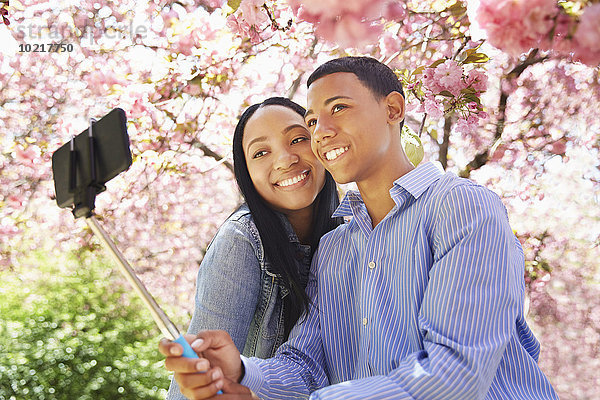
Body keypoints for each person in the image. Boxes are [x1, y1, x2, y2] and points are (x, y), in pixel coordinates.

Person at [160, 57, 558, 399]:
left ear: (393, 109)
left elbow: (454, 372)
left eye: (339, 108)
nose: (321, 132)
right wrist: (245, 372)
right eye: (312, 121)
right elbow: (305, 366)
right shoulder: (333, 248)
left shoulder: (461, 206)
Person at [163, 97, 342, 399]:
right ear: (246, 173)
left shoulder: (351, 231)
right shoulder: (242, 240)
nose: (285, 160)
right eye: (261, 152)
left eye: (298, 139)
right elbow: (202, 375)